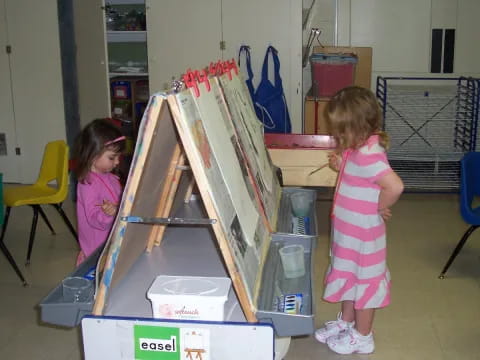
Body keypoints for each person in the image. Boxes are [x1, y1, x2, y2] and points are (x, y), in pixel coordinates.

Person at [315, 87, 404, 354]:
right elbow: (358, 173)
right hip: (350, 234)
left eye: (342, 131)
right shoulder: (357, 148)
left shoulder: (370, 155)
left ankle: (363, 336)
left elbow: (395, 186)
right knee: (350, 277)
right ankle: (347, 322)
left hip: (364, 238)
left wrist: (378, 207)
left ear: (361, 127)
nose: (338, 136)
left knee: (364, 283)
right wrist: (340, 163)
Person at [73, 119, 126, 265]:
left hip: (111, 243)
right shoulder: (88, 184)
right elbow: (94, 218)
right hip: (97, 252)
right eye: (112, 157)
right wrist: (110, 214)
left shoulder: (110, 177)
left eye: (118, 157)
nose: (117, 162)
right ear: (93, 154)